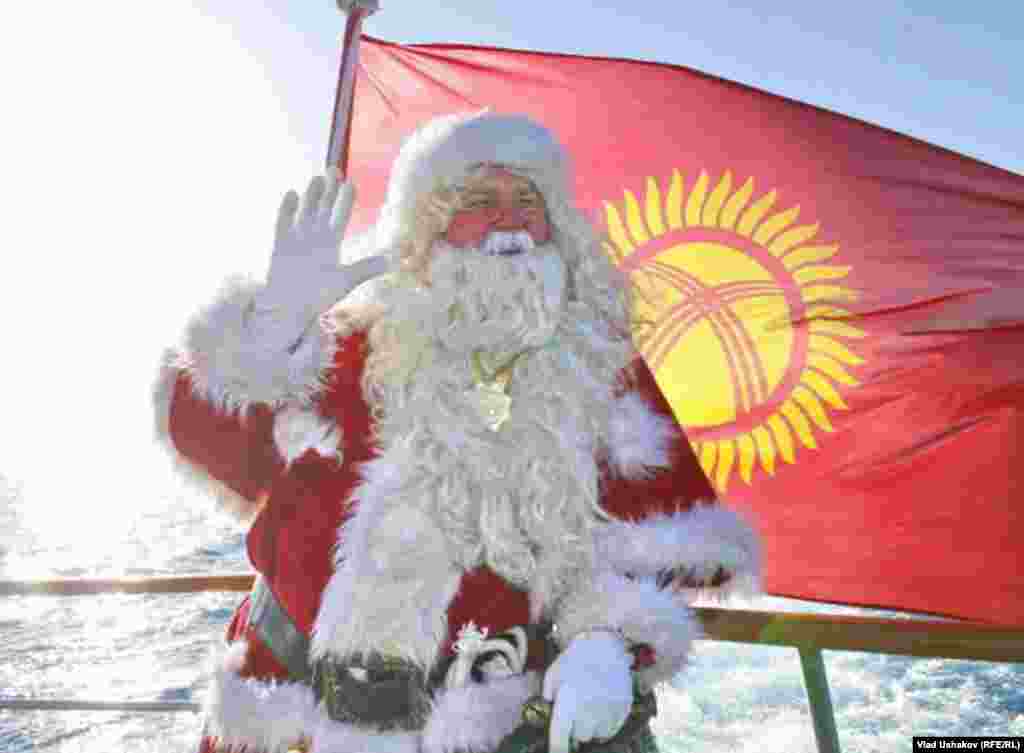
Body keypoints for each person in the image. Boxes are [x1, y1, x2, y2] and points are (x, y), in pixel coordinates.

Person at [154, 112, 761, 753]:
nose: (509, 220)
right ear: (429, 222)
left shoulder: (600, 366)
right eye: (478, 201)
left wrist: (609, 644)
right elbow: (209, 437)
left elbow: (660, 537)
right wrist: (268, 336)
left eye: (528, 200)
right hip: (297, 723)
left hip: (507, 730)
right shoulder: (346, 345)